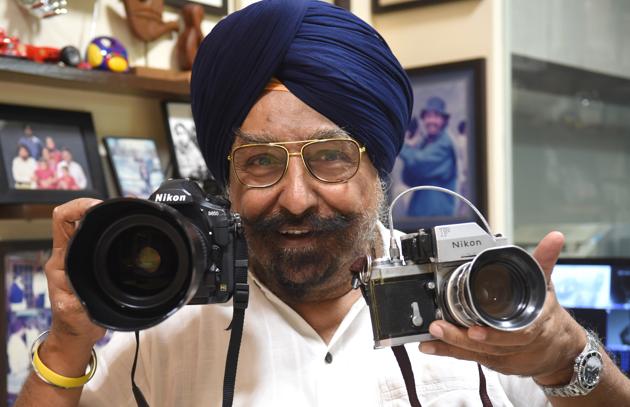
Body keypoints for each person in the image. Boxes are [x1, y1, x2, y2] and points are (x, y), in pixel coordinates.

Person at [15, 1, 630, 407]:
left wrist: (562, 356)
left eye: (331, 156)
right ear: (226, 176)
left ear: (376, 166)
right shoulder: (163, 325)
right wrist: (68, 343)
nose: (297, 197)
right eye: (259, 162)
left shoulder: (478, 297)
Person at [399, 96, 457, 217]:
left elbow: (418, 162)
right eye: (428, 116)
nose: (431, 121)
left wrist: (401, 145)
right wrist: (412, 147)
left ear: (444, 120)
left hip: (438, 215)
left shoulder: (445, 143)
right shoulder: (425, 142)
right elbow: (409, 179)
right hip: (419, 210)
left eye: (436, 116)